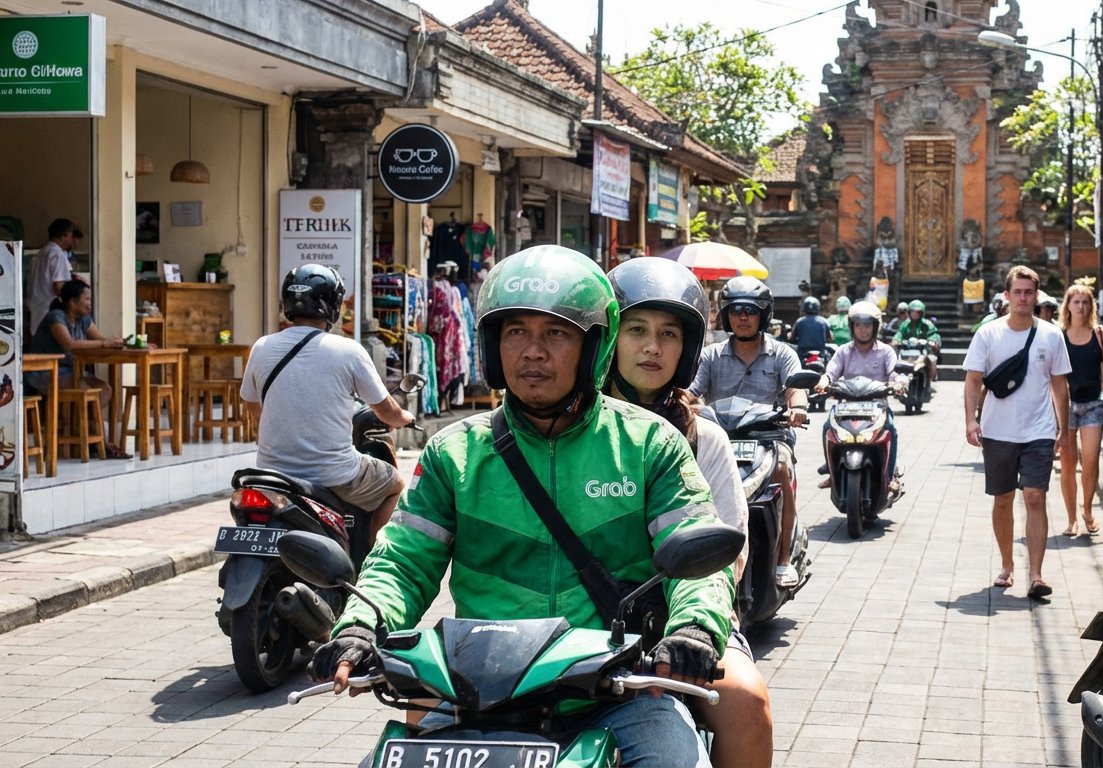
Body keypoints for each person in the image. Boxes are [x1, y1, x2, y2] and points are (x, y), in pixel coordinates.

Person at [314, 247, 733, 768]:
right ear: (493, 346)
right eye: (516, 332)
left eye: (555, 334)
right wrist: (359, 625)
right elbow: (403, 559)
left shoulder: (650, 445)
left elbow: (697, 553)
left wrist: (693, 628)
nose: (532, 352)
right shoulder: (455, 453)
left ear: (594, 347)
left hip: (613, 695)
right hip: (480, 696)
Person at [605, 257, 773, 768]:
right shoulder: (571, 429)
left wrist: (694, 627)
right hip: (581, 622)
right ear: (607, 337)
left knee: (747, 703)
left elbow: (727, 551)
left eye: (669, 334)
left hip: (681, 623)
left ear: (687, 348)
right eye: (636, 330)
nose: (652, 347)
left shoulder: (704, 436)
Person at [240, 265, 413, 537]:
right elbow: (386, 411)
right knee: (397, 486)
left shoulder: (262, 346)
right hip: (335, 475)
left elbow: (252, 405)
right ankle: (374, 562)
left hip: (272, 473)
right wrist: (405, 418)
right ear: (332, 304)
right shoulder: (348, 351)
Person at [690, 276, 808, 588]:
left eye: (751, 310)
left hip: (770, 438)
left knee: (782, 470)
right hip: (722, 438)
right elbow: (691, 391)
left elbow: (796, 389)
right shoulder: (710, 355)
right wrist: (684, 404)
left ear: (764, 315)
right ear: (726, 314)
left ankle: (783, 560)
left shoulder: (782, 353)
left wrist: (797, 408)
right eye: (736, 309)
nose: (743, 316)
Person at [962, 266, 1071, 599]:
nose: (1023, 298)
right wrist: (971, 420)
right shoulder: (988, 334)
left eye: (1029, 292)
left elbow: (1059, 384)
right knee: (1004, 499)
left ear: (1036, 297)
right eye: (1018, 292)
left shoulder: (1052, 335)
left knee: (1035, 496)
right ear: (1007, 296)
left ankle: (1036, 575)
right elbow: (972, 380)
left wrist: (1063, 430)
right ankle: (1007, 564)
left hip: (1038, 430)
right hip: (998, 430)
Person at [26, 279, 129, 458]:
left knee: (104, 389)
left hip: (73, 371)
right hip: (47, 371)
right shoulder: (56, 317)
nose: (90, 303)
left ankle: (85, 435)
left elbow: (99, 338)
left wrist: (116, 343)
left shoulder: (84, 319)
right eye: (86, 299)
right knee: (90, 393)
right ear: (72, 302)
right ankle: (101, 444)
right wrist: (105, 344)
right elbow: (69, 344)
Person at [813, 300, 906, 491]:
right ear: (851, 327)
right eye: (858, 325)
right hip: (846, 407)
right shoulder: (843, 351)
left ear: (875, 327)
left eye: (867, 325)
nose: (863, 330)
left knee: (892, 431)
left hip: (877, 408)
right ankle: (832, 471)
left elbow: (894, 373)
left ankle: (890, 476)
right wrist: (823, 383)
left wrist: (898, 384)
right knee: (826, 427)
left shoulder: (886, 351)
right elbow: (830, 373)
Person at [1056, 285, 1103, 537]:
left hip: (1093, 403)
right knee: (1068, 462)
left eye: (1085, 302)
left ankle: (1087, 509)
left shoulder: (1101, 334)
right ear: (1068, 305)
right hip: (1066, 405)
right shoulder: (1059, 335)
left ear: (1091, 305)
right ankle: (1071, 518)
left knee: (1092, 459)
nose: (1080, 306)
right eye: (1076, 302)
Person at [26, 218, 80, 338]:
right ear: (65, 235)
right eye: (71, 236)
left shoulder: (41, 254)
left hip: (36, 311)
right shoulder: (57, 254)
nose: (71, 241)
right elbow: (59, 286)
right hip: (50, 312)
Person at [894, 299, 942, 382]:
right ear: (909, 312)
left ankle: (932, 376)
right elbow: (899, 333)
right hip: (907, 349)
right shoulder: (905, 324)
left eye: (918, 312)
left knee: (932, 359)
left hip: (923, 349)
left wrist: (932, 341)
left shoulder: (927, 324)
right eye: (913, 311)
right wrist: (896, 340)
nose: (915, 314)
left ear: (921, 313)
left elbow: (934, 334)